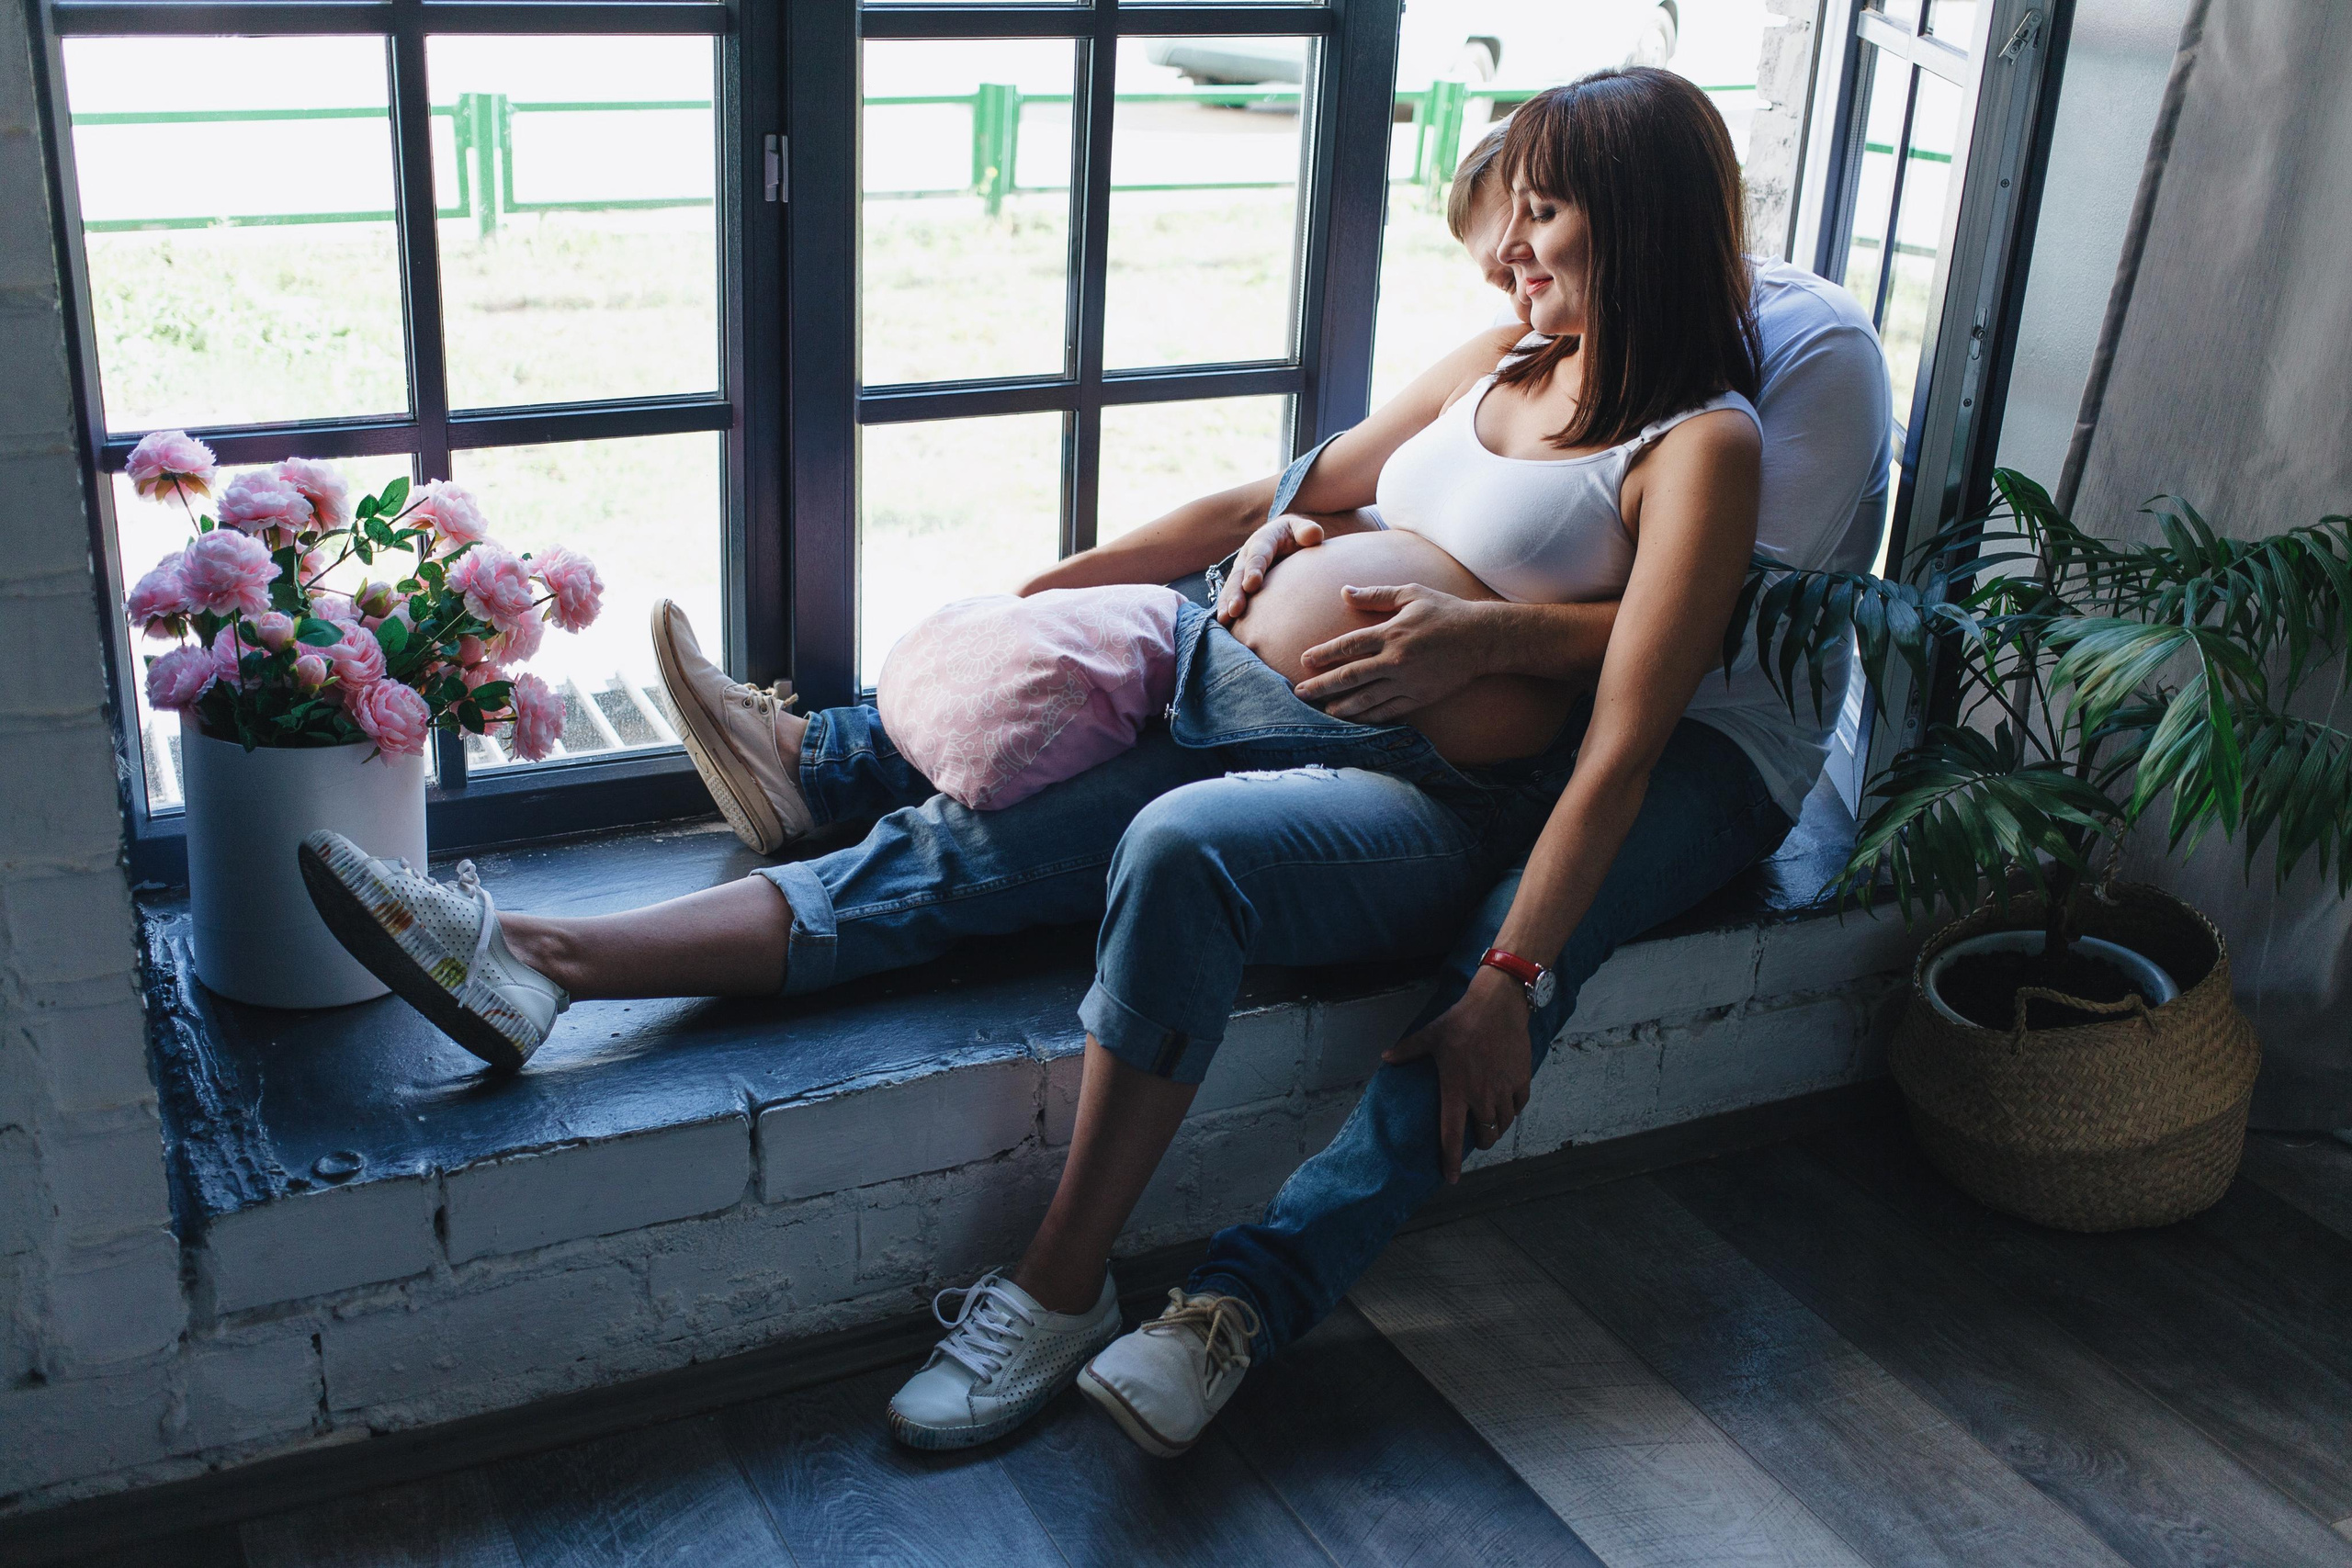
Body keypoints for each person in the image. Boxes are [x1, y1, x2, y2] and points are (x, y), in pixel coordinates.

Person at [296, 70, 1891, 1459]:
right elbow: (1298, 487)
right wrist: (1053, 591)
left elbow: (1624, 738)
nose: (1510, 245)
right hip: (1226, 685)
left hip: (1415, 798)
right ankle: (541, 962)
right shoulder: (1494, 357)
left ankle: (1060, 1289)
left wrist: (1514, 974)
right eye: (1510, 216)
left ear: (1645, 219)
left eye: (1548, 215)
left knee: (1182, 852)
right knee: (951, 854)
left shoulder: (1707, 446)